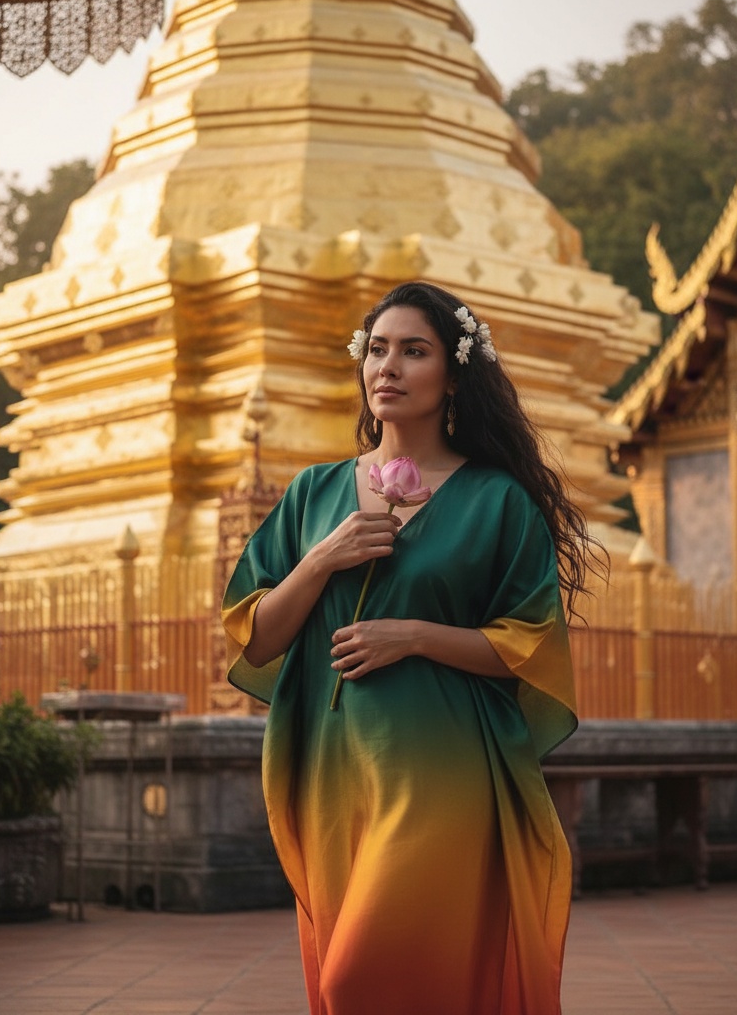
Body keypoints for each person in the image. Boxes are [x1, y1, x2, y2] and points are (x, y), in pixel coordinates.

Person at [221, 281, 596, 1015]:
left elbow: (530, 647)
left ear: (454, 374)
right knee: (409, 983)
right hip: (333, 770)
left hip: (441, 761)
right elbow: (258, 635)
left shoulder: (497, 501)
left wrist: (414, 637)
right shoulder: (313, 493)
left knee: (357, 978)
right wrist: (323, 558)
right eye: (378, 349)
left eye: (414, 351)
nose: (387, 367)